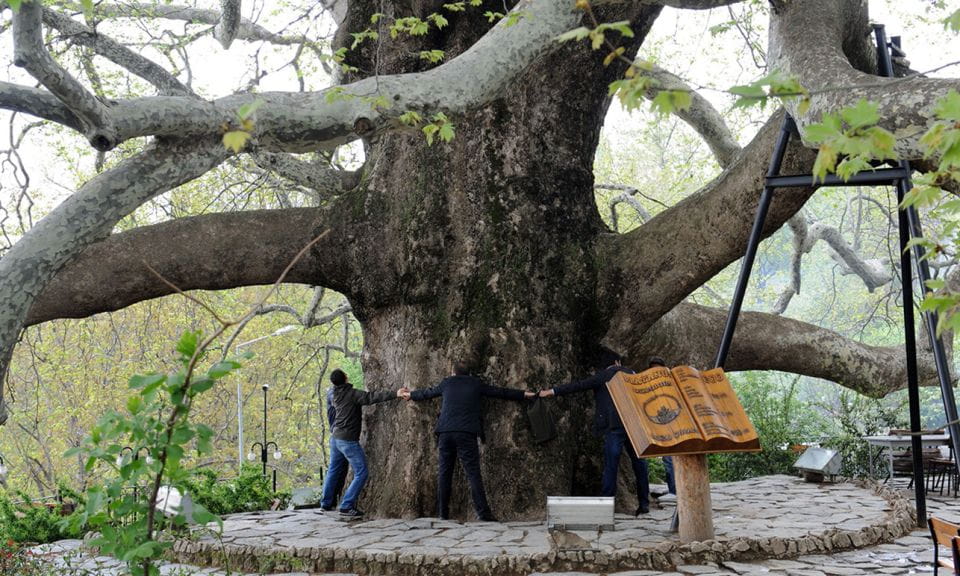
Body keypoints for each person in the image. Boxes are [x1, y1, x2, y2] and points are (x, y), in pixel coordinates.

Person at [401, 361, 535, 521]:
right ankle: (483, 513)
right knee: (473, 474)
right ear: (468, 373)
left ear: (453, 372)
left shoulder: (446, 383)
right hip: (466, 432)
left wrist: (411, 395)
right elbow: (499, 392)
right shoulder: (475, 384)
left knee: (444, 473)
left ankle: (443, 513)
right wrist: (523, 394)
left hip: (445, 432)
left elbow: (428, 393)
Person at [539, 347, 650, 515]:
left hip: (613, 427)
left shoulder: (602, 376)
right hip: (634, 426)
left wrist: (552, 391)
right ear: (617, 362)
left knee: (611, 465)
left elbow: (577, 386)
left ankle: (606, 506)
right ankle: (644, 504)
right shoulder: (633, 374)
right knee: (640, 464)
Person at [319, 369, 406, 518]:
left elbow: (330, 413)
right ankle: (346, 505)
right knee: (361, 472)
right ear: (346, 378)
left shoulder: (332, 394)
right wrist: (395, 394)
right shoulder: (352, 394)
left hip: (335, 438)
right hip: (347, 440)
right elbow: (371, 397)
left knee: (333, 470)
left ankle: (326, 504)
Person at [646, 356, 676, 504]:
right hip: (658, 424)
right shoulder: (649, 386)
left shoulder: (670, 383)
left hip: (672, 425)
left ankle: (674, 491)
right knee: (667, 458)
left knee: (670, 458)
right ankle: (673, 490)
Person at [322, 385, 348, 509]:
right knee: (335, 469)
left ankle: (331, 501)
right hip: (339, 436)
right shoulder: (334, 394)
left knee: (340, 470)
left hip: (338, 435)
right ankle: (327, 502)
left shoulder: (335, 393)